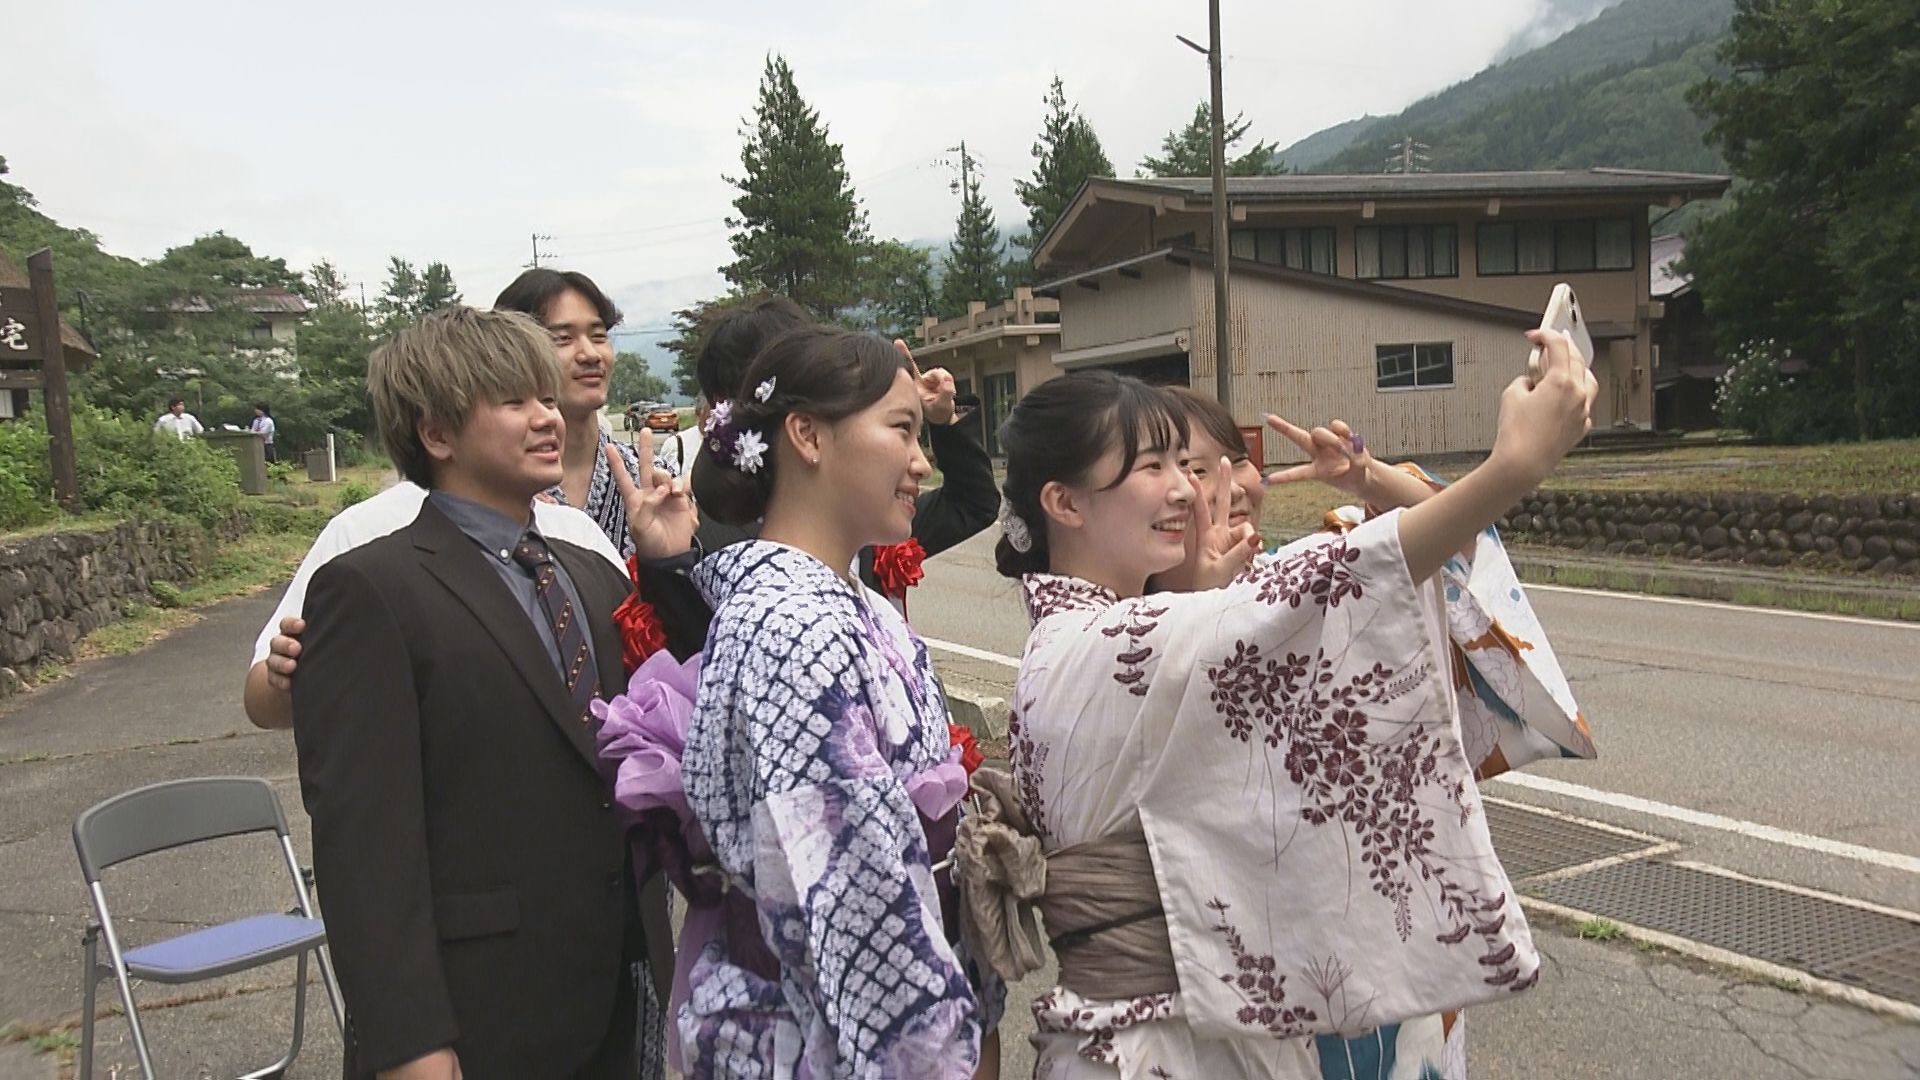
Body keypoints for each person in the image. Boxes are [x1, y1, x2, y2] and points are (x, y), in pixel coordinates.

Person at [958, 332, 1599, 1079]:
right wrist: (1513, 467)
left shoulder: (1088, 635)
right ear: (1063, 502)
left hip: (1166, 1032)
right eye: (1155, 467)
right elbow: (1329, 580)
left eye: (1190, 466)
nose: (1186, 490)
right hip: (1153, 1045)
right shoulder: (1112, 641)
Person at [290, 306, 691, 1078]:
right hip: (482, 1013)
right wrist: (409, 1043)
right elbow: (366, 849)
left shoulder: (585, 569)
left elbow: (683, 703)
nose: (549, 418)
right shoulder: (370, 589)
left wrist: (669, 567)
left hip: (618, 982)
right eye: (516, 402)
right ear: (437, 435)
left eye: (547, 398)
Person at [677, 324, 986, 1076]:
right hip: (832, 1031)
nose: (921, 462)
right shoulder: (791, 623)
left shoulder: (846, 603)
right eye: (903, 431)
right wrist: (932, 1055)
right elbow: (854, 886)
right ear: (807, 436)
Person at [494, 267, 662, 557]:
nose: (590, 354)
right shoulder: (493, 488)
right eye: (563, 339)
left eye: (598, 336)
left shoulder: (650, 478)